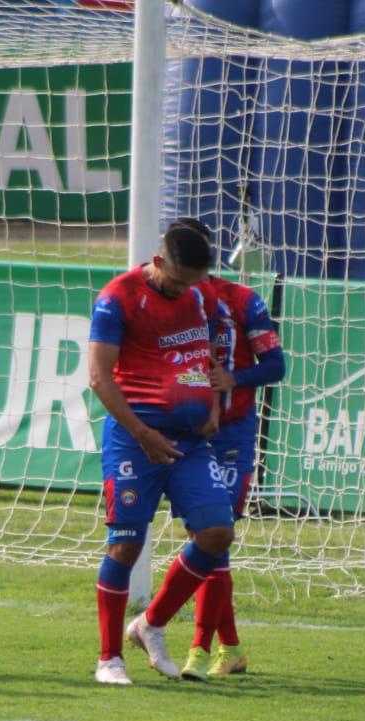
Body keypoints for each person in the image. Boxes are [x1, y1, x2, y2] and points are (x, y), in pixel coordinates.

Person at [88, 222, 235, 685]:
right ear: (157, 262)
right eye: (176, 280)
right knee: (126, 545)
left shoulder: (199, 293)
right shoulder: (117, 298)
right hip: (135, 441)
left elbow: (211, 354)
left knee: (217, 532)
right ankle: (109, 659)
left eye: (192, 282)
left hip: (189, 441)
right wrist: (142, 433)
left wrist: (214, 404)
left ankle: (149, 624)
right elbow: (99, 377)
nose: (183, 289)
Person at [171, 219, 286, 682]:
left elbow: (276, 365)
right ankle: (232, 647)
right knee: (207, 543)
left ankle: (199, 650)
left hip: (232, 436)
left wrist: (234, 378)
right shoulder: (161, 303)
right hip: (185, 433)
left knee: (213, 538)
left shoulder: (242, 301)